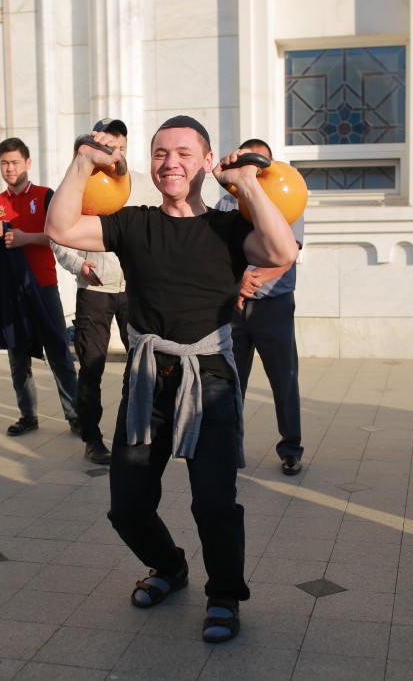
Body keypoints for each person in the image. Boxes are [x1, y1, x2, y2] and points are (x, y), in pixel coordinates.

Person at [45, 115, 298, 642]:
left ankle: (224, 594)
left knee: (214, 503)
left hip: (210, 379)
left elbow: (282, 251)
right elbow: (61, 228)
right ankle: (170, 566)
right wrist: (84, 159)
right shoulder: (133, 223)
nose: (170, 163)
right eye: (160, 153)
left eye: (184, 153)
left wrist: (246, 182)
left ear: (206, 161)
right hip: (147, 379)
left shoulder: (228, 228)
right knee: (127, 505)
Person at [0, 137, 79, 437]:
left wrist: (25, 238)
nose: (10, 168)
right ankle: (28, 415)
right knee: (18, 358)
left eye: (15, 162)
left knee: (59, 353)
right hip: (11, 293)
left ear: (28, 163)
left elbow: (60, 235)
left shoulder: (46, 196)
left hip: (44, 286)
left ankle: (76, 416)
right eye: (4, 163)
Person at [214, 138, 304, 476]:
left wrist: (253, 280)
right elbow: (217, 254)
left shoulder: (289, 196)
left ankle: (291, 449)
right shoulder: (226, 204)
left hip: (274, 306)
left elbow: (289, 253)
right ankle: (229, 449)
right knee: (232, 383)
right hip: (234, 309)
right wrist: (237, 283)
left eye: (262, 164)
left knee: (284, 380)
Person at [52, 118, 130, 465]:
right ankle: (93, 439)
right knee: (92, 368)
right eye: (108, 147)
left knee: (142, 364)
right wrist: (78, 265)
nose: (115, 154)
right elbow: (57, 235)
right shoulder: (77, 184)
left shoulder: (137, 183)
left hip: (133, 290)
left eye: (120, 147)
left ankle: (137, 429)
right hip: (94, 290)